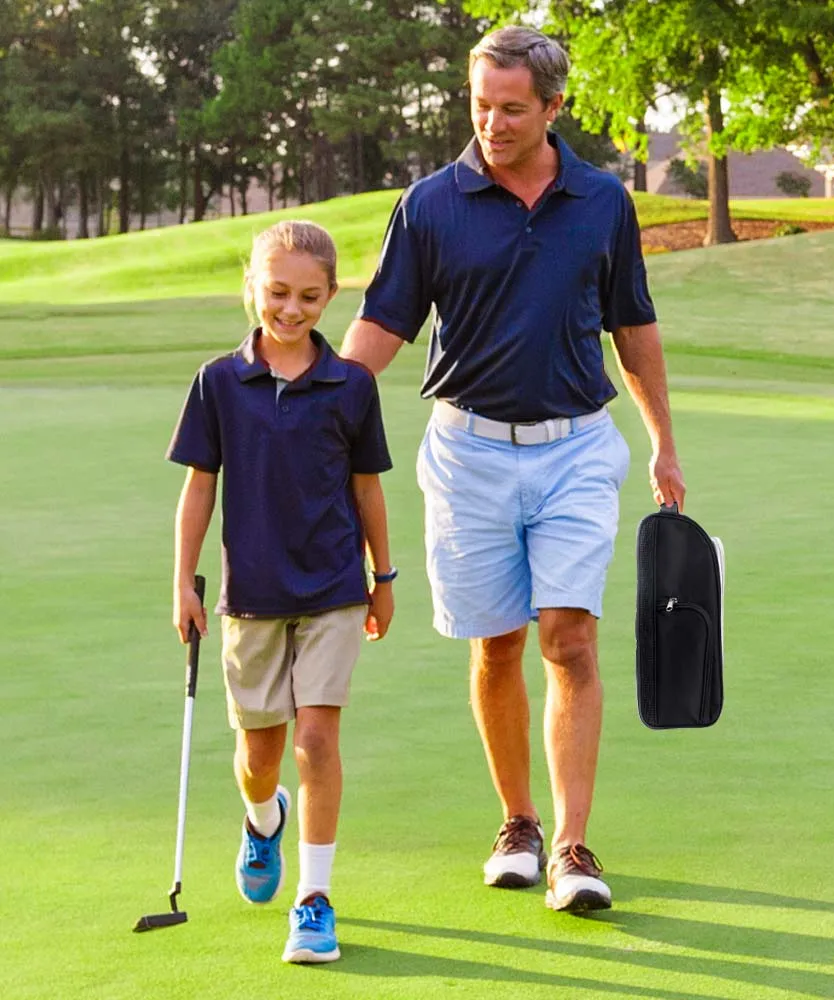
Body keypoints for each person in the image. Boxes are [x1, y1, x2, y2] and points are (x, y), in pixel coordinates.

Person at [340, 26, 684, 913]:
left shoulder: (603, 201)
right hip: (467, 455)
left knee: (568, 639)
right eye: (480, 105)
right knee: (495, 644)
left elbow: (633, 326)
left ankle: (572, 845)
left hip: (575, 449)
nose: (491, 123)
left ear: (553, 108)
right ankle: (518, 823)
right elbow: (382, 326)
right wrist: (313, 413)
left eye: (512, 109)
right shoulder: (429, 203)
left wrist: (663, 444)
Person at [167, 220, 395, 963]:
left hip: (333, 588)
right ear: (252, 289)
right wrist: (183, 583)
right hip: (251, 596)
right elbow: (200, 490)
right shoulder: (217, 382)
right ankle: (263, 821)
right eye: (276, 293)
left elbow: (368, 488)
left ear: (330, 296)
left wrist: (382, 577)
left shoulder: (352, 386)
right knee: (260, 757)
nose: (290, 309)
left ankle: (315, 897)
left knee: (317, 740)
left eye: (307, 296)